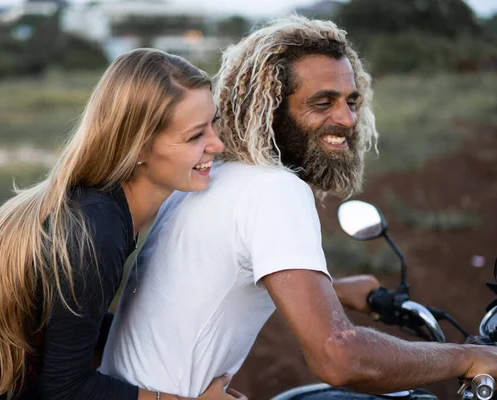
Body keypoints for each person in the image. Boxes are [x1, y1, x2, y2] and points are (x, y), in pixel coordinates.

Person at [100, 16, 497, 397]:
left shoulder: (212, 176)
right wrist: (469, 356)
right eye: (323, 103)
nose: (346, 118)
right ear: (271, 107)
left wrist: (335, 289)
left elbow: (221, 271)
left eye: (351, 101)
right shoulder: (275, 190)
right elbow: (338, 356)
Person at [0, 48, 247, 400]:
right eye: (195, 136)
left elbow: (68, 323)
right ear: (138, 147)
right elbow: (66, 389)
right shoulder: (94, 230)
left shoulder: (100, 207)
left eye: (214, 123)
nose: (217, 144)